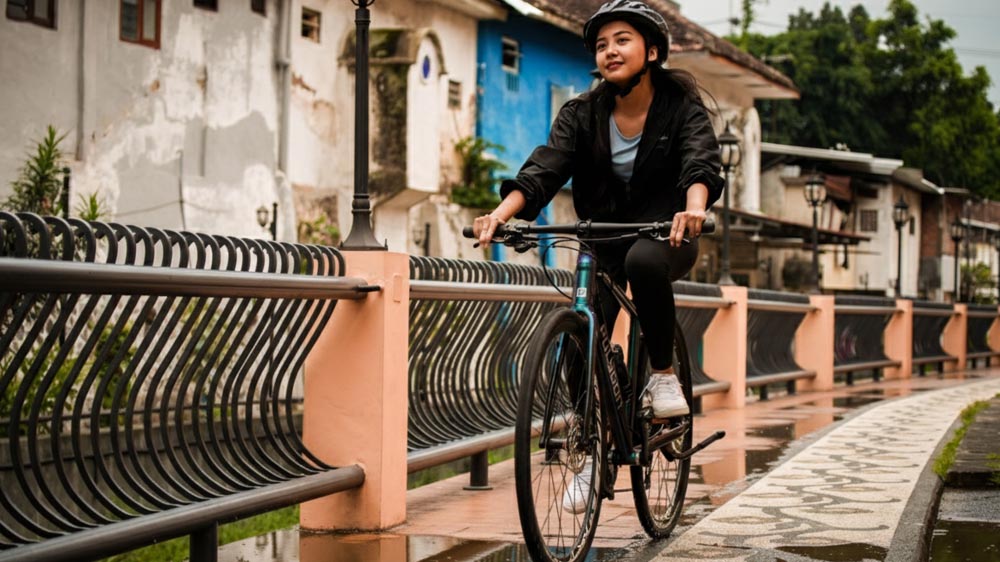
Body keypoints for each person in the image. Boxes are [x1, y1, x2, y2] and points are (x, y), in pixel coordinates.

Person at [472, 0, 724, 511]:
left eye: (622, 40)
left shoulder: (680, 109)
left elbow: (700, 161)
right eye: (602, 44)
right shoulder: (582, 114)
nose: (610, 51)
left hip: (665, 235)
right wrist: (501, 214)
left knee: (643, 264)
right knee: (577, 338)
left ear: (651, 51)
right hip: (602, 237)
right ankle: (592, 453)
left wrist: (693, 209)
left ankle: (661, 375)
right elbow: (545, 168)